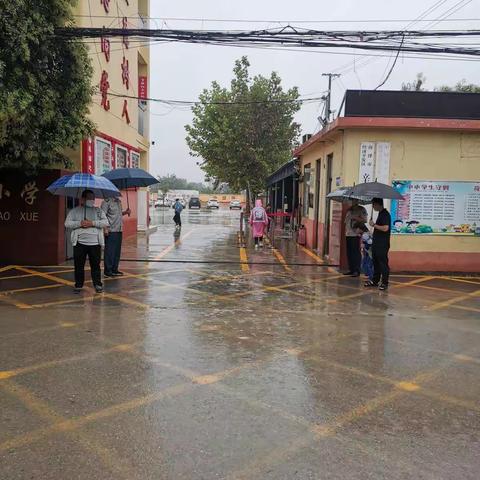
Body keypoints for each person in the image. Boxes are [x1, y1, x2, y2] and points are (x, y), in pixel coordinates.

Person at [65, 190, 109, 294]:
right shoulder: (75, 211)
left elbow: (105, 222)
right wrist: (80, 223)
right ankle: (78, 285)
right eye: (89, 198)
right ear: (83, 199)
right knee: (79, 265)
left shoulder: (98, 211)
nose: (91, 200)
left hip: (95, 243)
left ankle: (98, 284)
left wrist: (92, 223)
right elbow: (67, 223)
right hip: (80, 243)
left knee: (95, 265)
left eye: (93, 198)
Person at [365, 198, 391, 291]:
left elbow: (385, 228)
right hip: (376, 243)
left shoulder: (385, 214)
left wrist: (374, 225)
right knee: (376, 263)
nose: (373, 207)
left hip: (382, 244)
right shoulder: (380, 214)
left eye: (373, 205)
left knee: (383, 263)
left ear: (378, 204)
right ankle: (375, 281)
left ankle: (384, 282)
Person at [101, 196, 131, 277]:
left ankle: (114, 269)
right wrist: (105, 228)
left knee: (116, 251)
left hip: (119, 229)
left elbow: (119, 214)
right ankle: (107, 271)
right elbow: (102, 216)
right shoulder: (106, 202)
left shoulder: (118, 202)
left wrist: (126, 212)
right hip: (111, 230)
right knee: (109, 251)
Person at [344, 199, 368, 277]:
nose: (352, 202)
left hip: (355, 234)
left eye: (354, 200)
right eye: (351, 201)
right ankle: (351, 269)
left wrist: (355, 217)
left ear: (357, 201)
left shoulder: (361, 209)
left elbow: (365, 220)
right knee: (349, 252)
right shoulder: (349, 210)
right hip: (348, 233)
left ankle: (357, 270)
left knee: (355, 253)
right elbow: (346, 221)